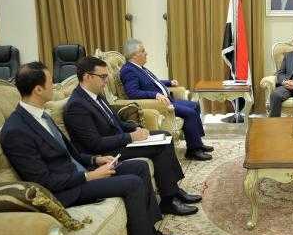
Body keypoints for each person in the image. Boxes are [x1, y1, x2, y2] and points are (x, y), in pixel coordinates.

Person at [0, 62, 180, 235]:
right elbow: (44, 182)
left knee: (139, 167)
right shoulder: (16, 130)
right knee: (132, 183)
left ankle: (150, 234)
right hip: (66, 190)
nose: (54, 85)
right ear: (38, 89)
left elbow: (71, 154)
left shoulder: (40, 115)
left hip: (79, 173)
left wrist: (95, 161)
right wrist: (90, 176)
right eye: (50, 82)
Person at [63, 56, 200, 217]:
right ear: (87, 77)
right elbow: (95, 144)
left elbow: (115, 122)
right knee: (160, 146)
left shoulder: (96, 94)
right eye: (103, 77)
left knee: (164, 136)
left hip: (119, 141)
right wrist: (131, 137)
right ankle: (168, 201)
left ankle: (174, 190)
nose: (106, 81)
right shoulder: (77, 105)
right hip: (106, 151)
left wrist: (134, 127)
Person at [119, 39, 213, 161]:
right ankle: (193, 151)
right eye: (143, 51)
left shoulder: (139, 68)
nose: (146, 53)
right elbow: (133, 93)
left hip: (168, 100)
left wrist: (169, 82)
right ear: (134, 55)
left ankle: (197, 143)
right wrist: (155, 95)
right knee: (189, 113)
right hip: (158, 105)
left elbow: (153, 82)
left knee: (194, 105)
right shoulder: (128, 70)